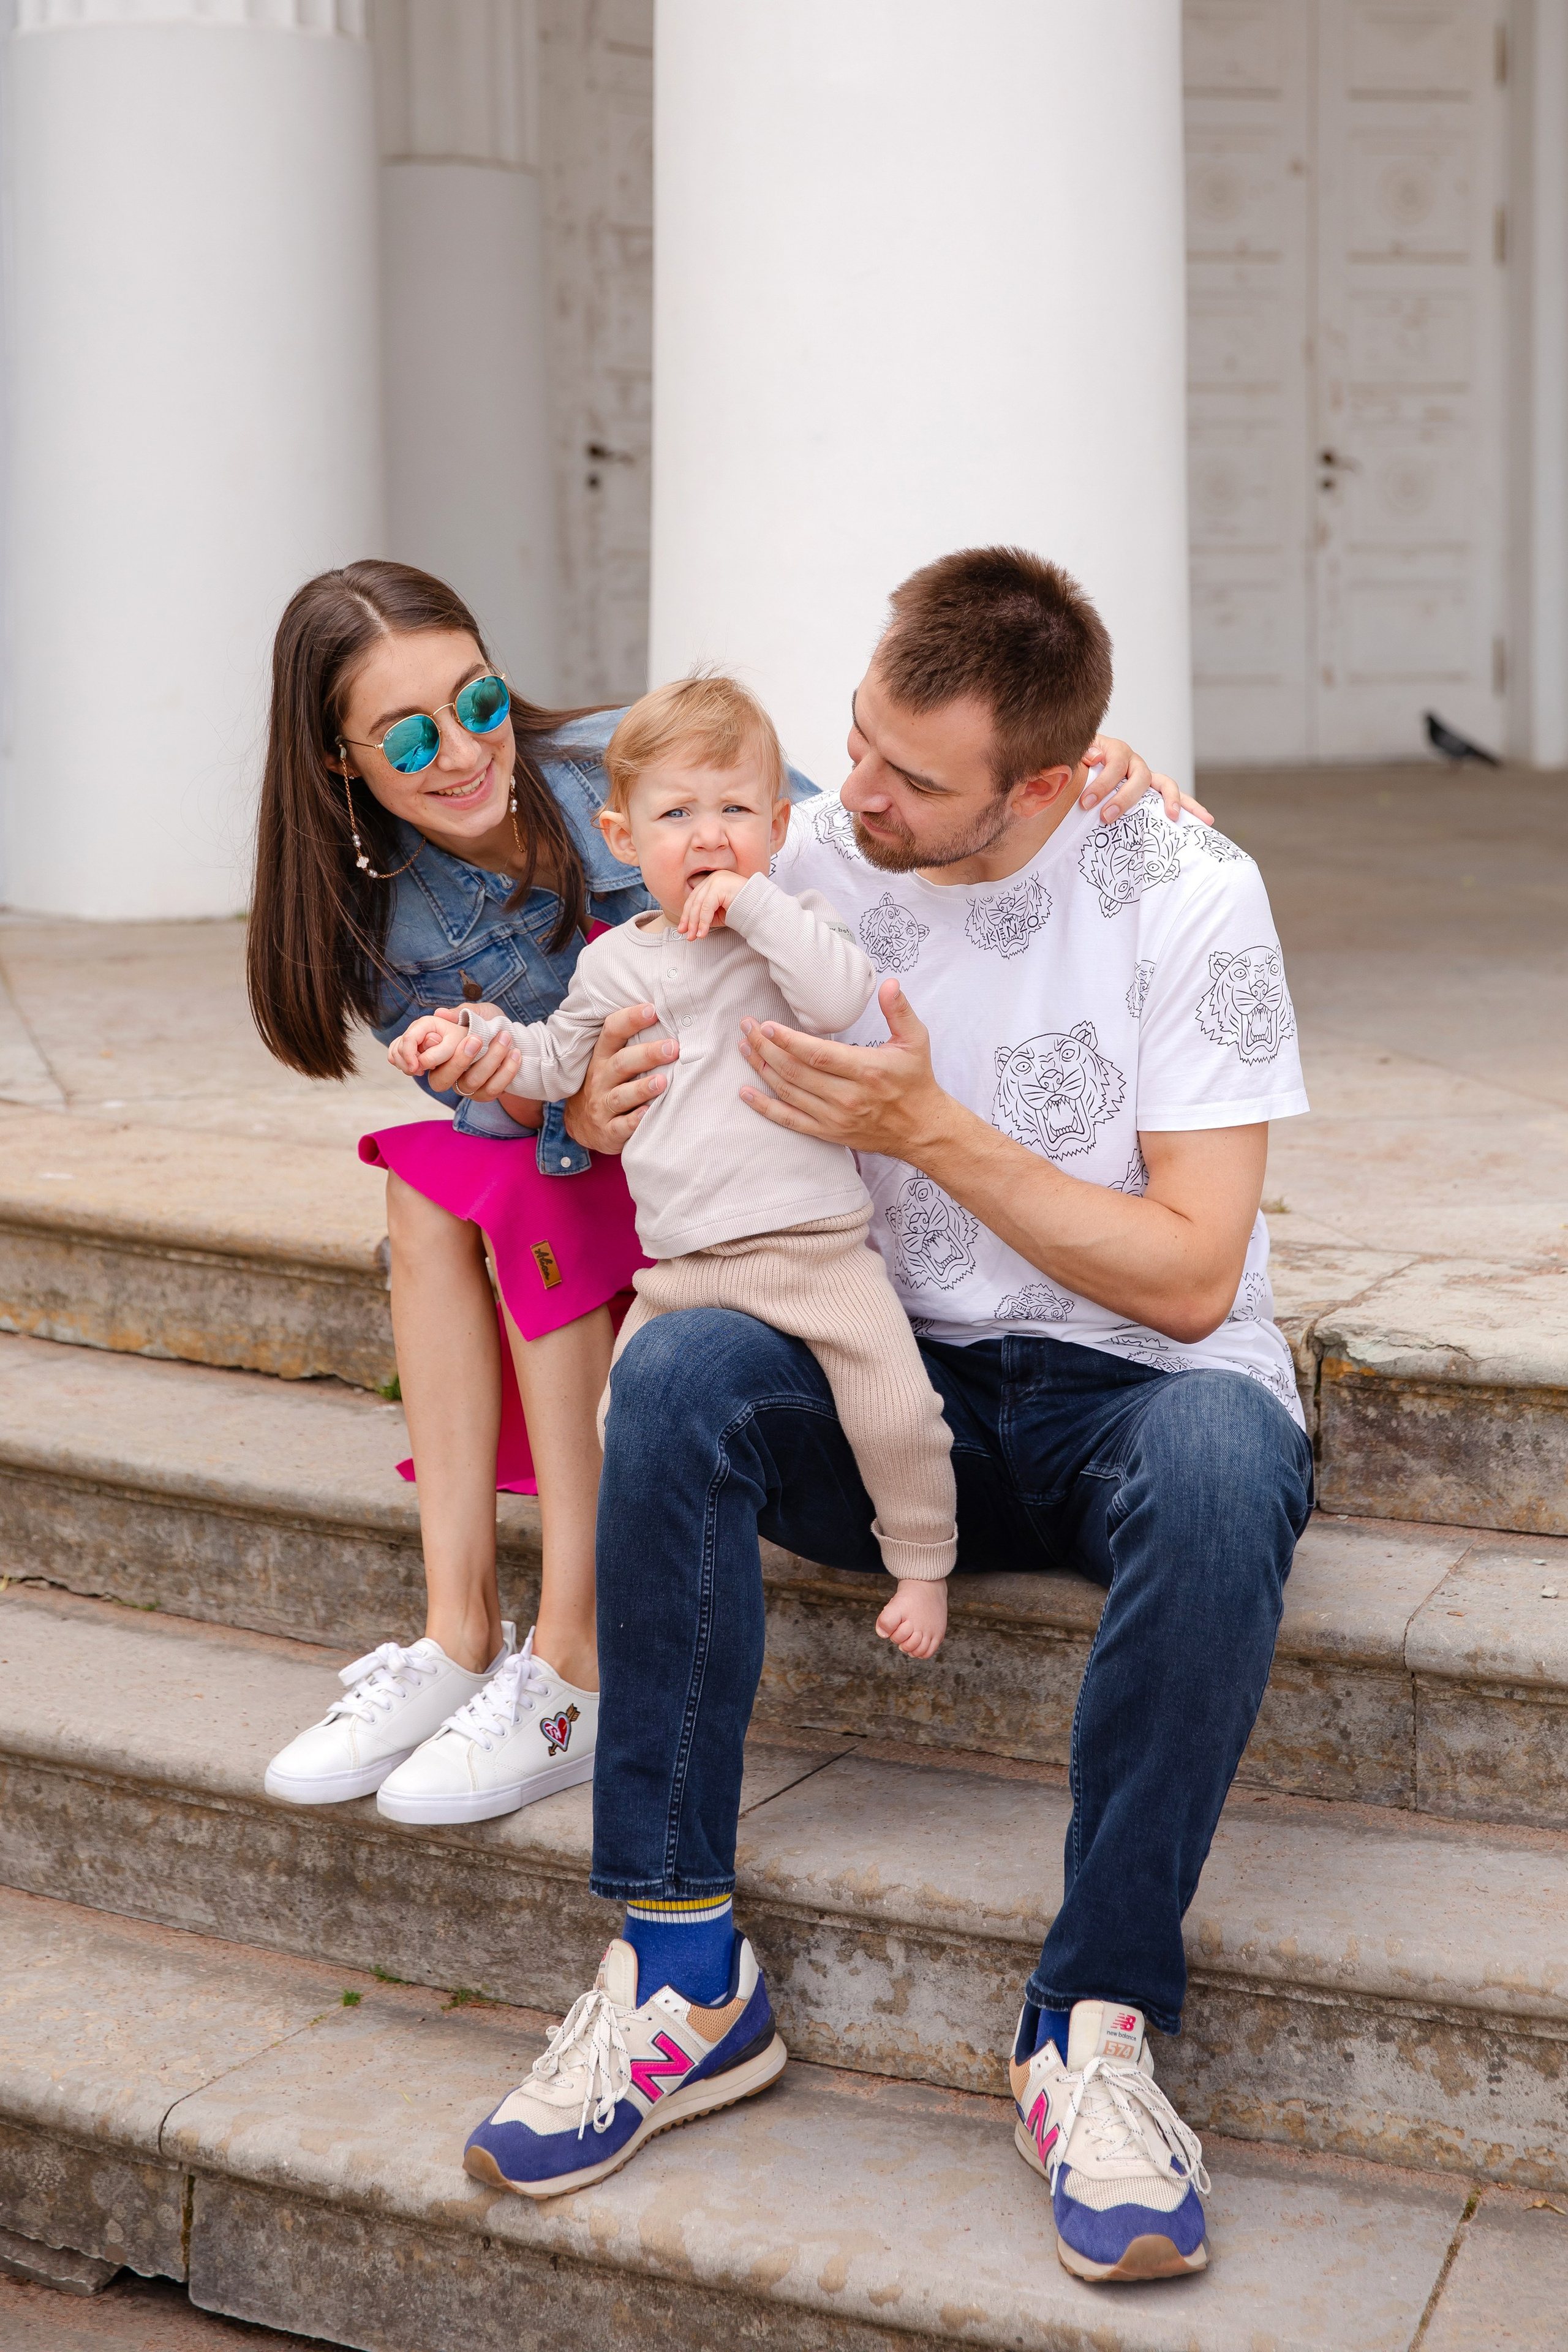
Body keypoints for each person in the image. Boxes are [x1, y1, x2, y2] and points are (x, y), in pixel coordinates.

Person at [462, 548, 1313, 2292]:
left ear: (1049, 784)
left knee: (1229, 1466)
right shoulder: (807, 848)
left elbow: (1189, 1277)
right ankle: (683, 1970)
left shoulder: (1188, 891)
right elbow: (608, 998)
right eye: (854, 740)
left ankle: (1089, 2030)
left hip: (1131, 1396)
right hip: (880, 1379)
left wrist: (927, 1130)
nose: (850, 796)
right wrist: (592, 1105)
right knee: (676, 1377)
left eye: (911, 778)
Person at [245, 557, 1172, 1826]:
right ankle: (457, 1633)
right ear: (342, 760)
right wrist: (546, 1102)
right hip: (623, 1154)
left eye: (479, 701)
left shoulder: (633, 771)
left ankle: (573, 1659)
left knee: (516, 1202)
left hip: (734, 1163)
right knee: (434, 1184)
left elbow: (870, 831)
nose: (463, 751)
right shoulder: (376, 914)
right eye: (409, 737)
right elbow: (506, 1105)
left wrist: (1064, 779)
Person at [398, 673, 957, 1658]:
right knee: (628, 1429)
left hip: (815, 1252)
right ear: (622, 838)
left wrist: (757, 906)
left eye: (736, 811)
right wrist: (471, 1039)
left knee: (898, 1409)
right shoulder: (613, 964)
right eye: (677, 815)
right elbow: (552, 1060)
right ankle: (643, 1616)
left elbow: (838, 997)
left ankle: (922, 1563)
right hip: (684, 1268)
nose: (709, 836)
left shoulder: (792, 924)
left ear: (776, 827)